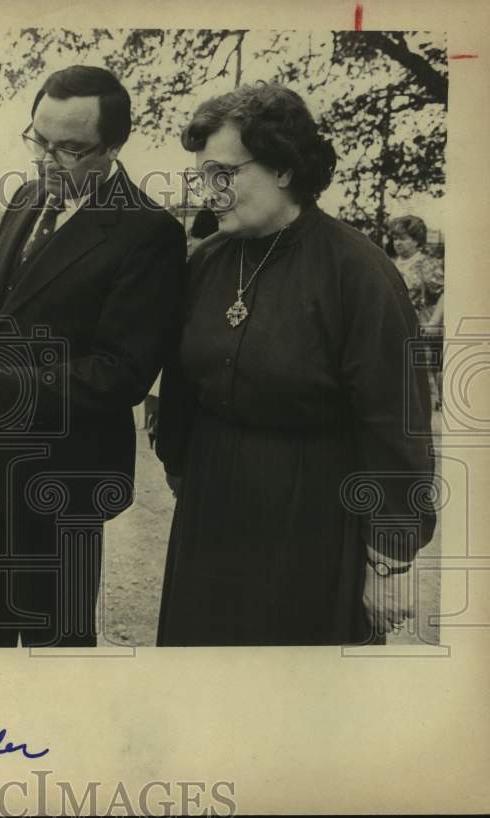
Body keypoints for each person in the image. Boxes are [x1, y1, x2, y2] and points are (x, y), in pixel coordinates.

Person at [0, 65, 187, 647]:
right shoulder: (25, 199)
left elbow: (122, 371)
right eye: (37, 140)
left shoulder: (149, 232)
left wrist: (2, 383)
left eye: (69, 149)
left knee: (53, 652)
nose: (45, 160)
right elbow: (1, 315)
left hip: (66, 475)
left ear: (113, 147)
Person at [154, 83, 437, 646]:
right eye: (201, 175)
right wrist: (179, 461)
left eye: (223, 173)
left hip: (314, 510)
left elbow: (395, 425)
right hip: (212, 501)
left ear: (283, 168)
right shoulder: (207, 261)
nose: (209, 191)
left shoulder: (357, 271)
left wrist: (389, 561)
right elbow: (182, 382)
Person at [389, 215, 444, 410]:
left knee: (421, 382)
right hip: (393, 330)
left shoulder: (426, 265)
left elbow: (446, 293)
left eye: (403, 238)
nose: (398, 243)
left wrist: (434, 322)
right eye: (395, 238)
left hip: (418, 331)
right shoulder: (389, 264)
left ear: (416, 240)